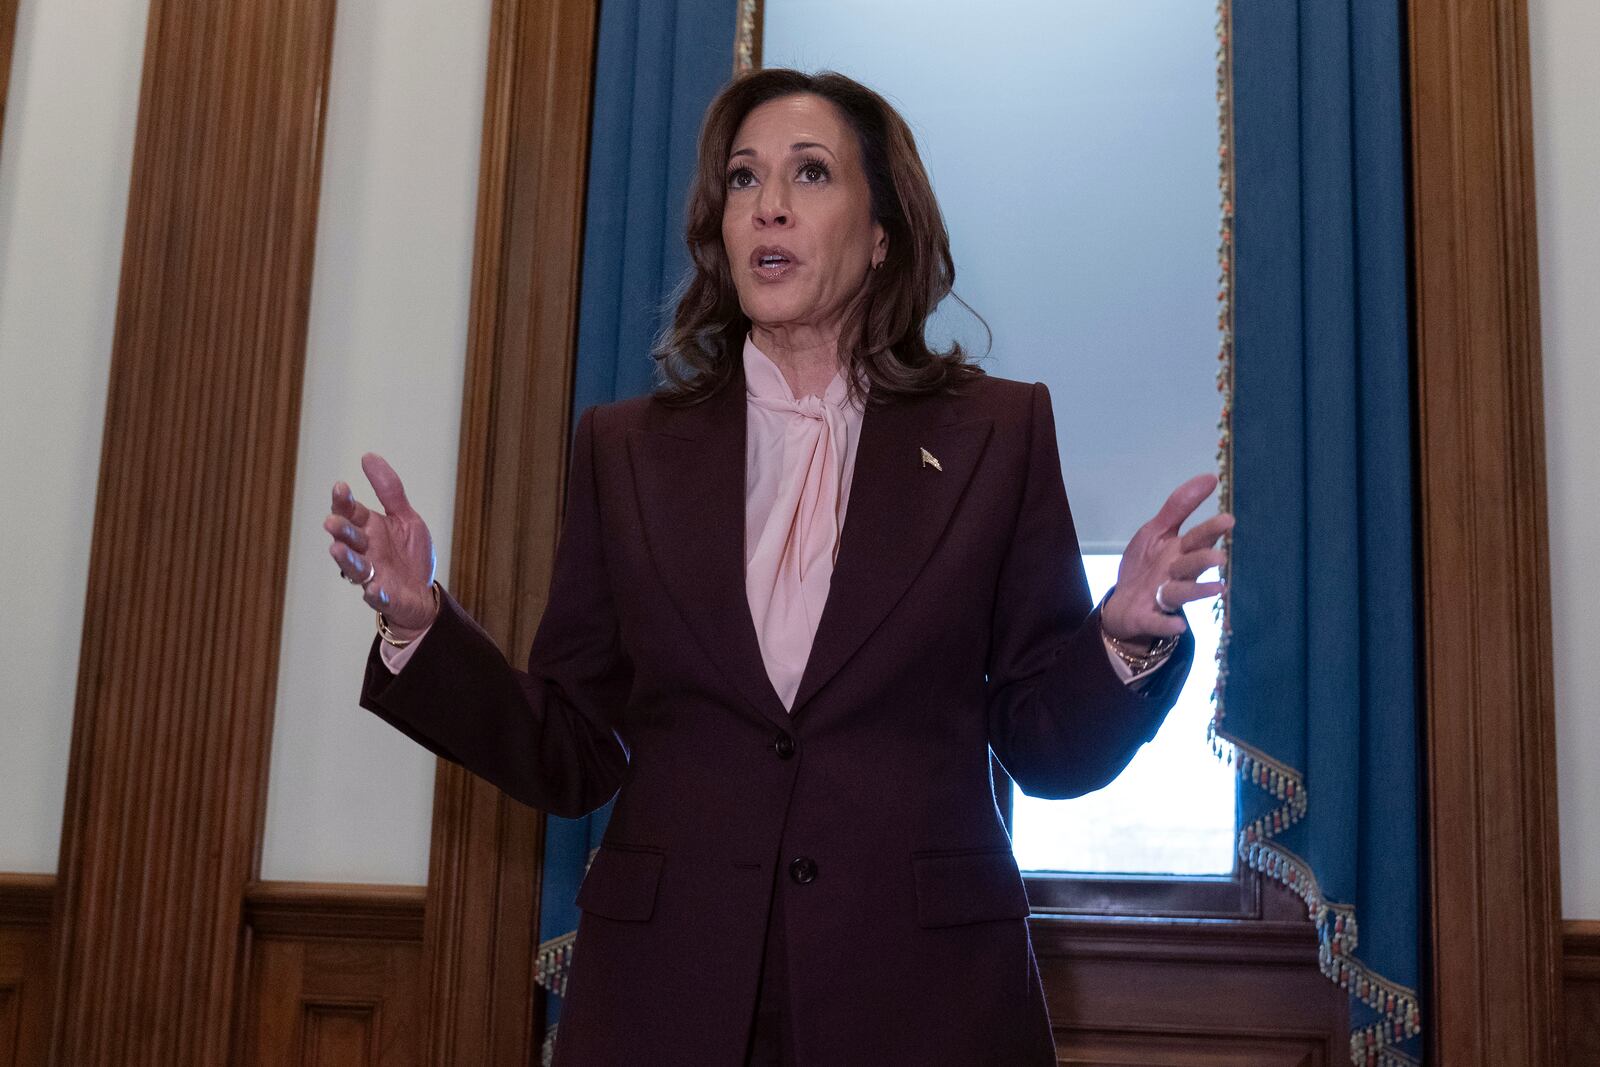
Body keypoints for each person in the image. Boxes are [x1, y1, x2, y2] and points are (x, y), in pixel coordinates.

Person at [324, 68, 1231, 1066]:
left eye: (810, 173)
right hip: (669, 992)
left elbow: (1046, 743)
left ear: (882, 231)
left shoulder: (995, 434)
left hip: (919, 995)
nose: (770, 204)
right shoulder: (624, 448)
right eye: (744, 178)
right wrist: (420, 624)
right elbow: (573, 747)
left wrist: (1119, 638)